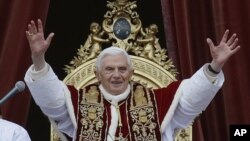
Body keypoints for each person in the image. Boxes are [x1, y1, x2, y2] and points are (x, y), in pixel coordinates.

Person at [24, 19, 240, 141]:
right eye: (109, 69)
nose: (116, 75)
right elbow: (51, 100)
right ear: (97, 74)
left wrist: (214, 67)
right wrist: (38, 58)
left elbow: (191, 100)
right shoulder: (77, 102)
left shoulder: (158, 102)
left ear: (131, 72)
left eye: (122, 69)